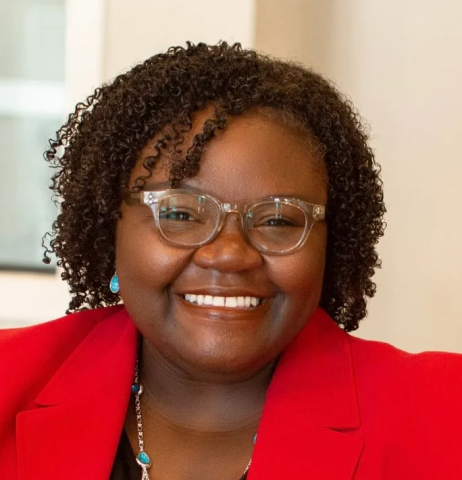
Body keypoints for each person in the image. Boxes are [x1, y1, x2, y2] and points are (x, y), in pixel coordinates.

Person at [0, 42, 461, 480]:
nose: (229, 254)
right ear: (109, 229)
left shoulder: (444, 413)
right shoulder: (10, 379)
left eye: (278, 220)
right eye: (180, 214)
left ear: (331, 244)